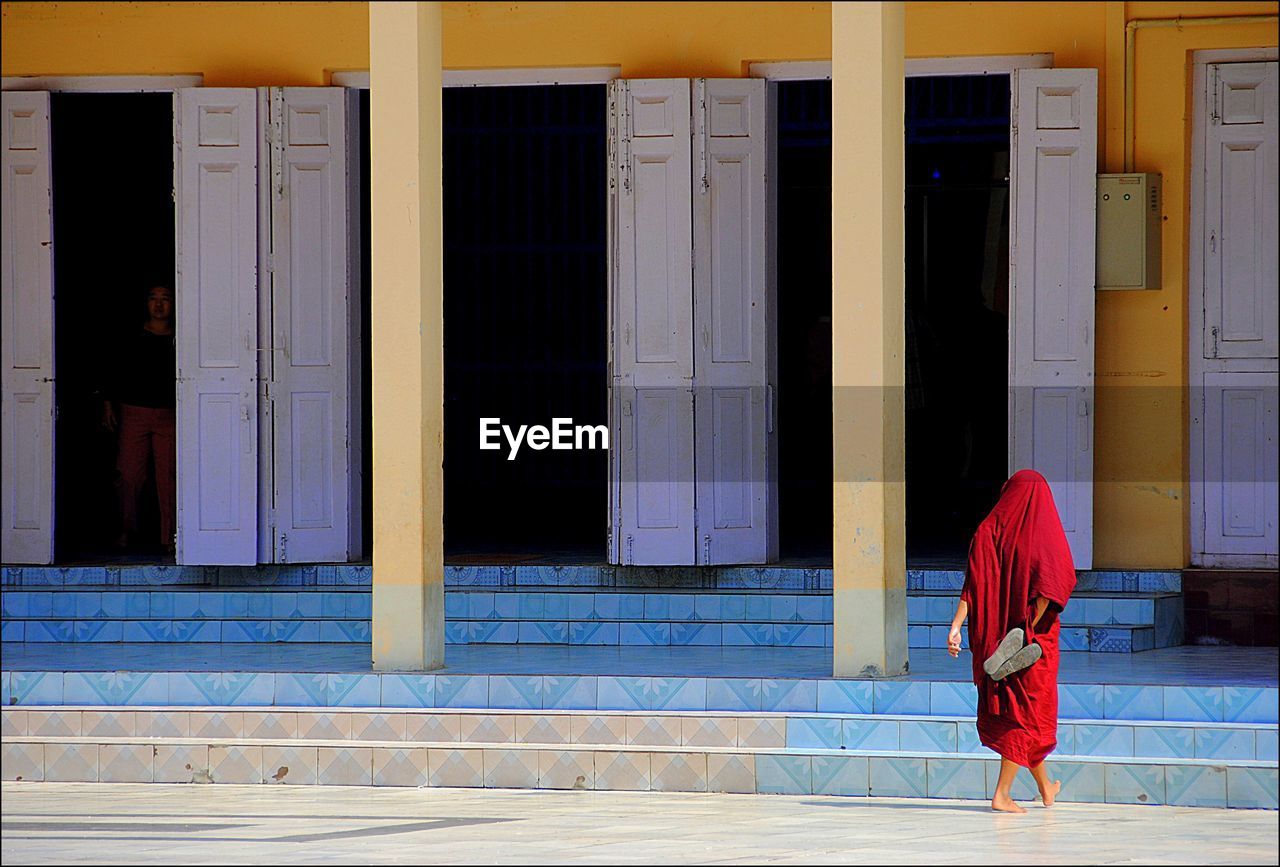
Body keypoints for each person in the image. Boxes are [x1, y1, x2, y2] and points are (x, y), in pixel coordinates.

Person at [946, 468, 1077, 813]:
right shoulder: (1043, 534)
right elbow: (1052, 585)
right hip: (1032, 645)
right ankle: (1002, 795)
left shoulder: (988, 530)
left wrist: (956, 626)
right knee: (1026, 713)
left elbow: (973, 585)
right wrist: (1026, 630)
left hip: (995, 641)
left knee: (1020, 711)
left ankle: (1046, 788)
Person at [100, 284, 176, 556]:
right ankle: (124, 530)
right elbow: (113, 369)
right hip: (133, 411)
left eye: (165, 299)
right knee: (129, 475)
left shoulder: (181, 338)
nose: (158, 305)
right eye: (153, 299)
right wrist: (107, 403)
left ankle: (171, 535)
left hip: (170, 414)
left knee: (169, 477)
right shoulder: (132, 335)